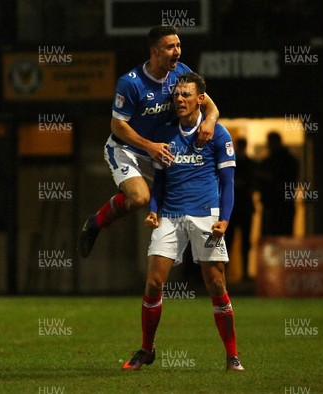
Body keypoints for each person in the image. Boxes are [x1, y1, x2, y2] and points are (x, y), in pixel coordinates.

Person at [122, 72, 244, 372]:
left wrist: (225, 221)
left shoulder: (218, 134)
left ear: (200, 99)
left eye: (186, 95)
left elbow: (228, 184)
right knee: (153, 283)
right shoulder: (164, 134)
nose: (179, 99)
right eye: (177, 95)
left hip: (206, 214)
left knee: (215, 283)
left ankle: (232, 356)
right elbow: (160, 180)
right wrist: (153, 208)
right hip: (172, 215)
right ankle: (147, 349)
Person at [78, 25, 220, 258]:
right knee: (140, 198)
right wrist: (149, 146)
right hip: (126, 149)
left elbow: (210, 106)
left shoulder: (181, 73)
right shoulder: (131, 83)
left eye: (178, 45)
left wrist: (210, 121)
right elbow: (117, 126)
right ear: (154, 52)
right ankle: (95, 222)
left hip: (159, 151)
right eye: (170, 47)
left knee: (189, 188)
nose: (177, 51)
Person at [224, 138, 255, 281]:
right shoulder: (242, 163)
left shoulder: (246, 163)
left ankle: (243, 273)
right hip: (235, 208)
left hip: (242, 208)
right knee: (228, 241)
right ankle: (226, 272)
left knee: (244, 242)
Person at [258, 132, 298, 236]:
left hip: (274, 205)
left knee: (271, 237)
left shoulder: (268, 163)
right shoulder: (291, 161)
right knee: (284, 237)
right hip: (283, 205)